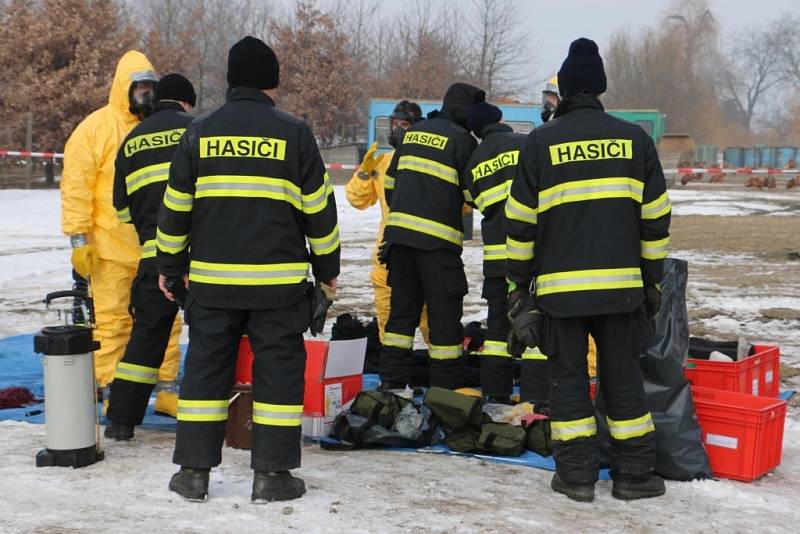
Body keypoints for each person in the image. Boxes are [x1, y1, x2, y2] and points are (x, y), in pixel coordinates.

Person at [157, 36, 340, 503]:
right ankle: (273, 475)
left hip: (213, 284)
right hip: (278, 287)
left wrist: (170, 268)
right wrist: (327, 271)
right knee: (278, 372)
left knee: (205, 371)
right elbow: (319, 211)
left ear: (230, 81)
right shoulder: (294, 133)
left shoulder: (198, 131)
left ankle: (193, 473)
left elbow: (175, 208)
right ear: (273, 82)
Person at [505, 38, 671, 502]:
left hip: (560, 296)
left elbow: (519, 227)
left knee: (569, 383)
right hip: (623, 293)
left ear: (564, 92)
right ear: (598, 89)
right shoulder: (636, 139)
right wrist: (651, 281)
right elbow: (655, 221)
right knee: (623, 382)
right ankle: (635, 476)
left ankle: (577, 477)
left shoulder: (540, 142)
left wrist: (519, 287)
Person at [61, 51, 179, 415]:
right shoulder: (94, 129)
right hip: (109, 248)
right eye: (138, 87)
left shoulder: (158, 129)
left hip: (152, 246)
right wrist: (79, 238)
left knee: (167, 321)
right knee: (112, 322)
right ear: (123, 88)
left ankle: (166, 389)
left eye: (150, 88)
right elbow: (76, 186)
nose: (144, 94)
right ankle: (113, 390)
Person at [104, 74, 197, 440]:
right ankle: (208, 420)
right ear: (186, 103)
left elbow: (122, 211)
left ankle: (122, 420)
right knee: (210, 338)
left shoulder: (130, 143)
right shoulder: (197, 130)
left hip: (153, 258)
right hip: (198, 258)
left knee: (145, 339)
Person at [378, 82, 484, 390]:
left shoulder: (414, 133)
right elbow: (472, 194)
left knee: (400, 320)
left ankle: (392, 389)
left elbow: (390, 185)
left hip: (400, 243)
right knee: (444, 322)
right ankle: (444, 394)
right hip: (438, 248)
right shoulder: (463, 140)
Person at [461, 102, 549, 405]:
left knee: (497, 332)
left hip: (497, 261)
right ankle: (537, 401)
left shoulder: (474, 161)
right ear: (500, 120)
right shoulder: (527, 143)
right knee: (538, 329)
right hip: (534, 256)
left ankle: (495, 398)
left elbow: (473, 201)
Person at [344, 100, 431, 347]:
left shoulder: (430, 162)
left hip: (424, 253)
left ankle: (440, 373)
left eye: (404, 125)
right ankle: (393, 373)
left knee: (431, 321)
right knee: (389, 321)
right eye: (395, 124)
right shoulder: (382, 163)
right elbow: (357, 200)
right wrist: (363, 173)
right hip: (388, 255)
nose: (398, 130)